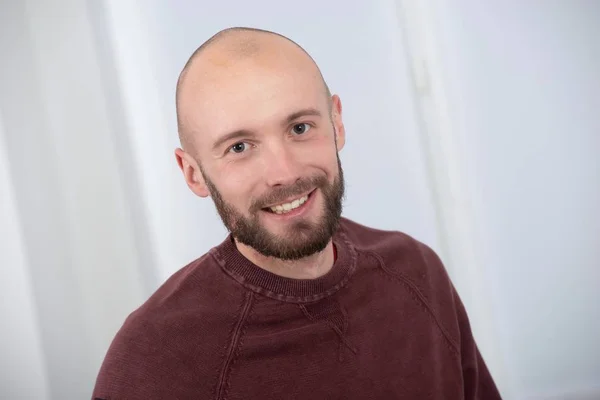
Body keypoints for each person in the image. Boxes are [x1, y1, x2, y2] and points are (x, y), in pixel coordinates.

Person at [92, 27, 501, 400]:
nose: (284, 172)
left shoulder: (417, 273)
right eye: (239, 147)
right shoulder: (155, 357)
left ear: (337, 122)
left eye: (300, 128)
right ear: (193, 174)